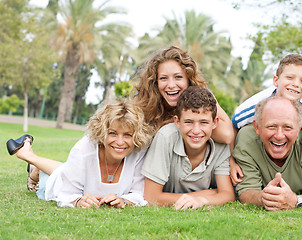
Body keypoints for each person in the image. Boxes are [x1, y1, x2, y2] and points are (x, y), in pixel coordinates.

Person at [230, 54, 302, 205]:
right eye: (272, 126)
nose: (295, 84)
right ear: (276, 80)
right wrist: (231, 160)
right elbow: (232, 126)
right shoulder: (253, 107)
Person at [6, 99, 154, 208]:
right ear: (102, 132)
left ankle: (34, 164)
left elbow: (138, 193)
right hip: (60, 183)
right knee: (57, 175)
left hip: (70, 170)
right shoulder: (83, 150)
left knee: (64, 168)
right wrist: (77, 201)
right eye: (113, 133)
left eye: (127, 135)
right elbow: (65, 194)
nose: (120, 142)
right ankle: (28, 159)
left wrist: (125, 200)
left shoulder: (138, 151)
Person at [233, 96, 302, 211]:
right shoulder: (247, 139)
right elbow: (246, 191)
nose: (279, 135)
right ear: (257, 127)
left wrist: (297, 201)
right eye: (271, 126)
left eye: (287, 127)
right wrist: (263, 198)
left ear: (298, 129)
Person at [141, 86, 235, 210]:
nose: (196, 131)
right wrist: (210, 194)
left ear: (215, 123)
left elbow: (228, 195)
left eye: (204, 122)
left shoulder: (220, 145)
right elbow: (151, 197)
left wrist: (201, 200)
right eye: (189, 122)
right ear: (177, 122)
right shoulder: (166, 137)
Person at [133, 45, 235, 145]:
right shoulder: (144, 98)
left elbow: (227, 135)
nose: (171, 85)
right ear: (155, 81)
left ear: (188, 79)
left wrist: (180, 123)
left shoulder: (201, 95)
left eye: (178, 77)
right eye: (163, 78)